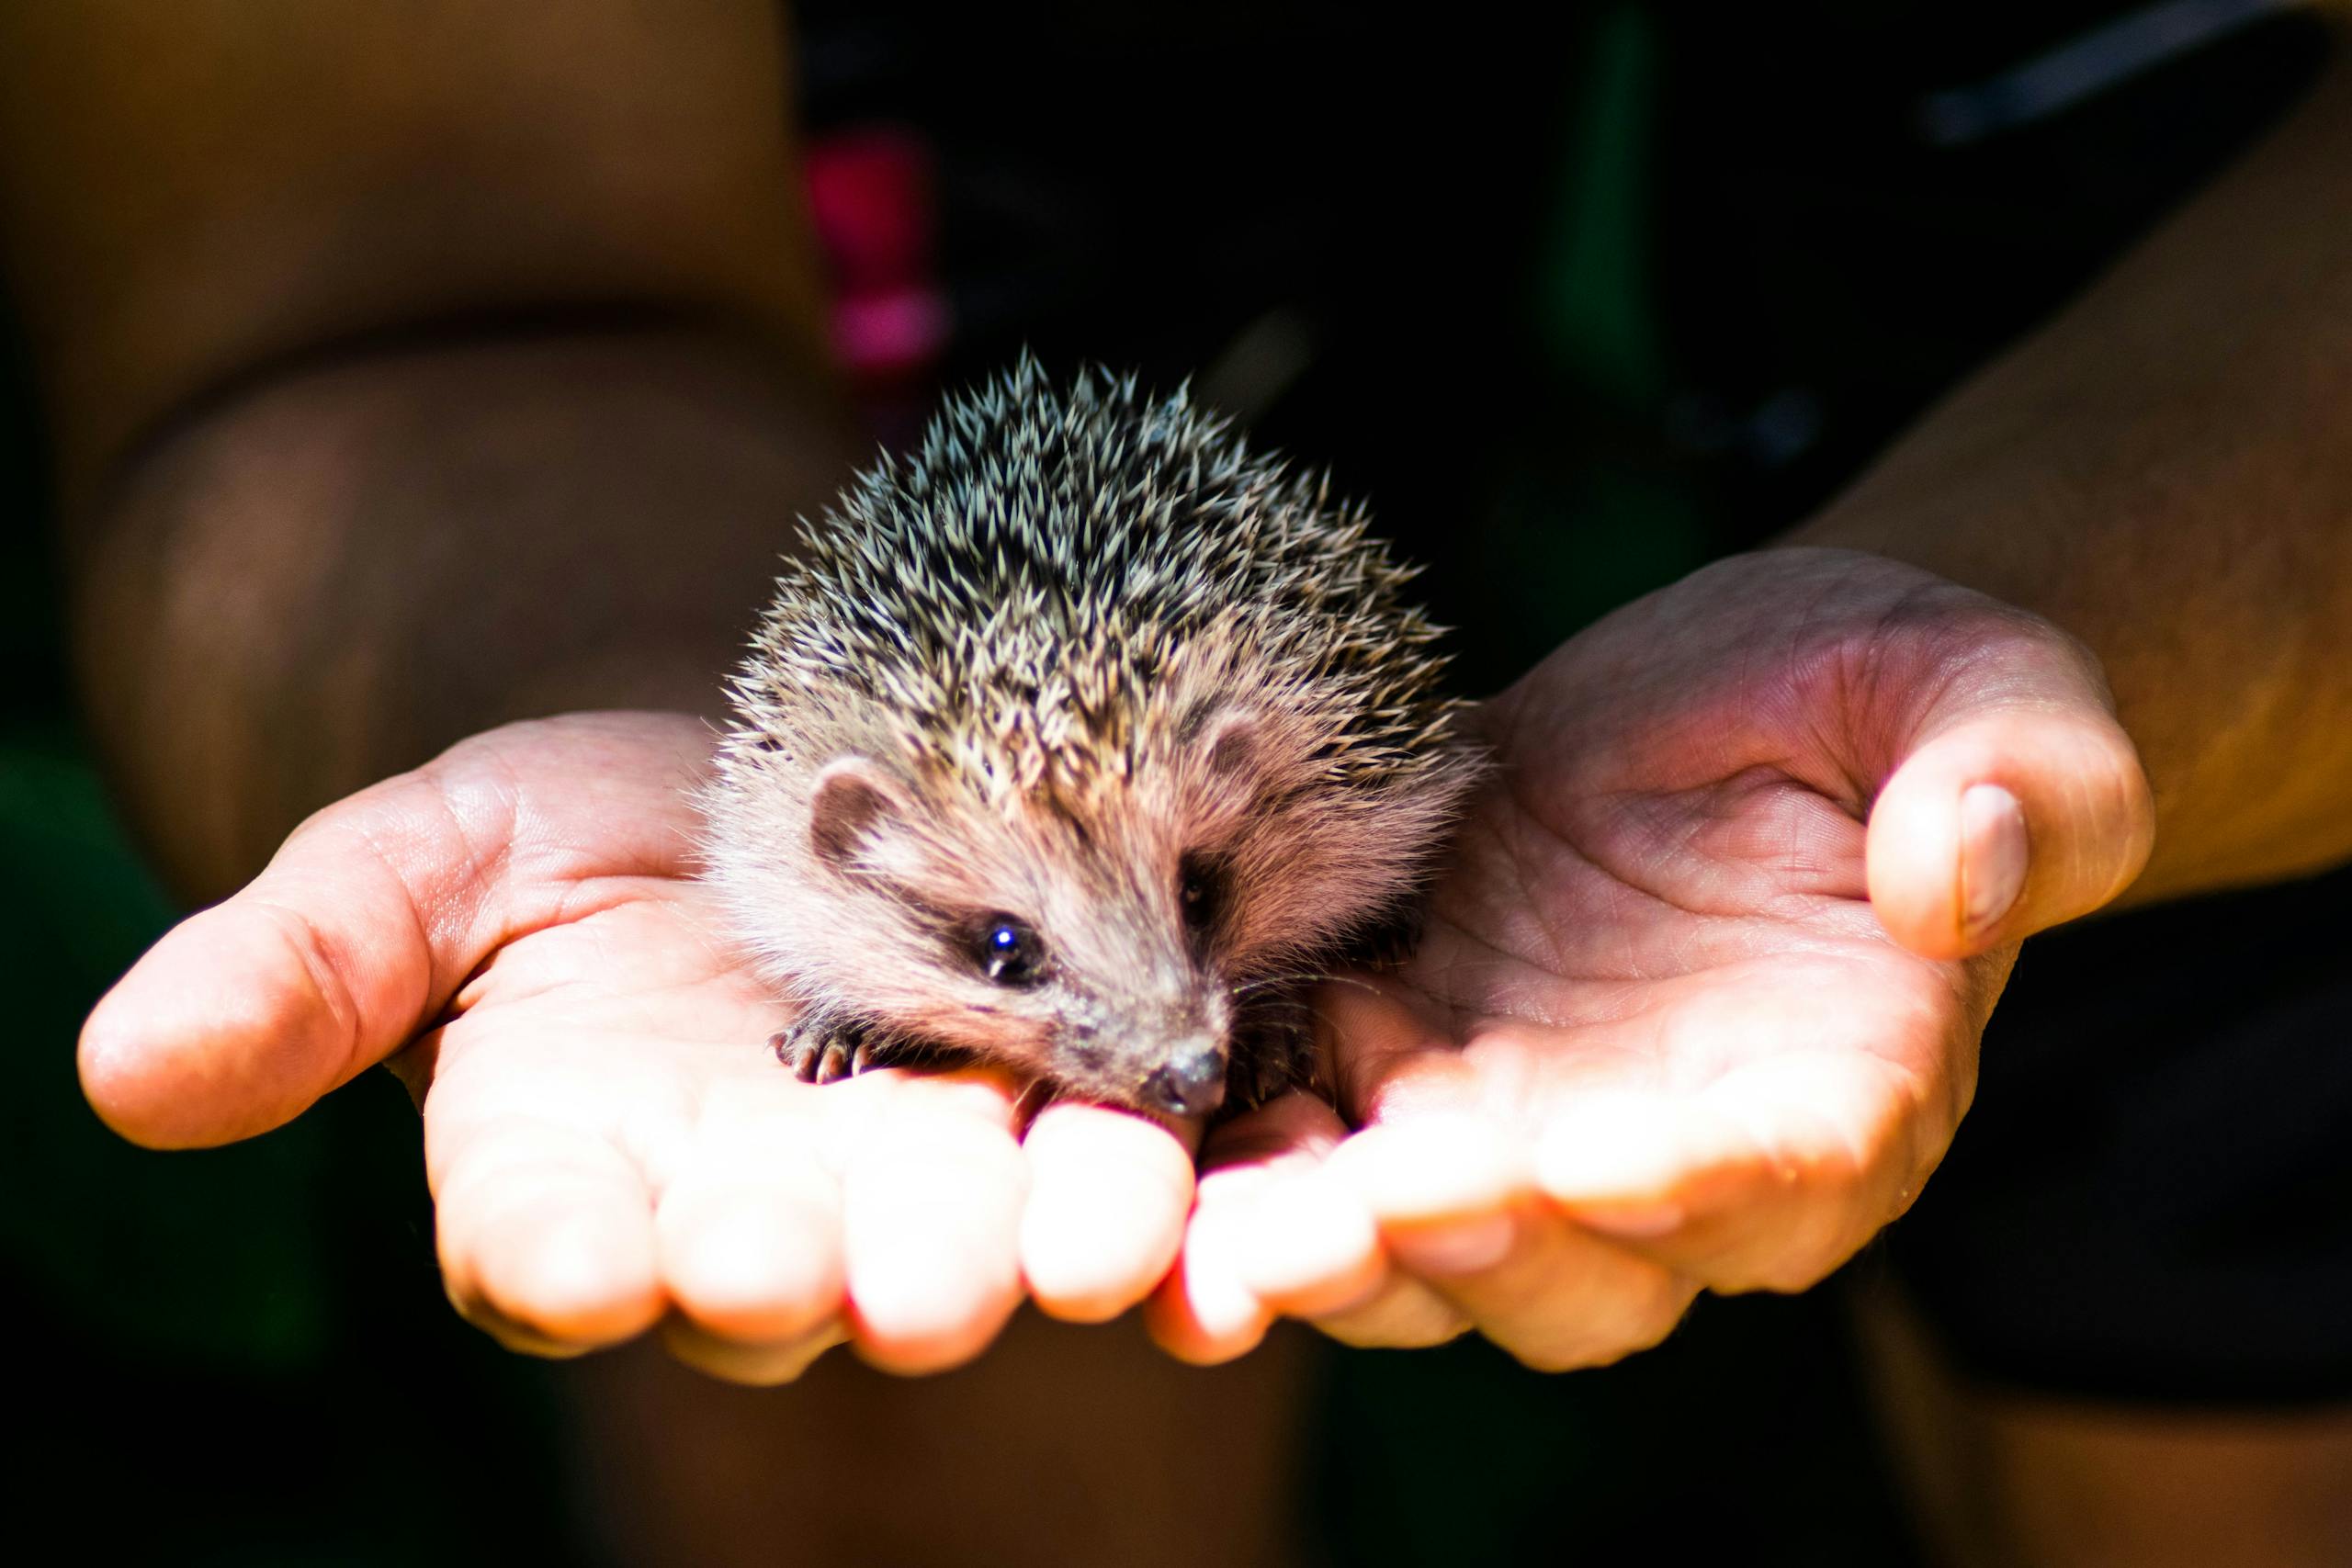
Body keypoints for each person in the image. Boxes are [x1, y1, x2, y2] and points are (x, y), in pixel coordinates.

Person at [8, 3, 2348, 1562]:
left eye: (1208, 891)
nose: (1159, 1025)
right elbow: (399, 276)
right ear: (833, 862)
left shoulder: (1287, 782)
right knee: (886, 1377)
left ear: (1258, 782)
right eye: (1001, 955)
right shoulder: (810, 838)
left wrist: (2088, 582)